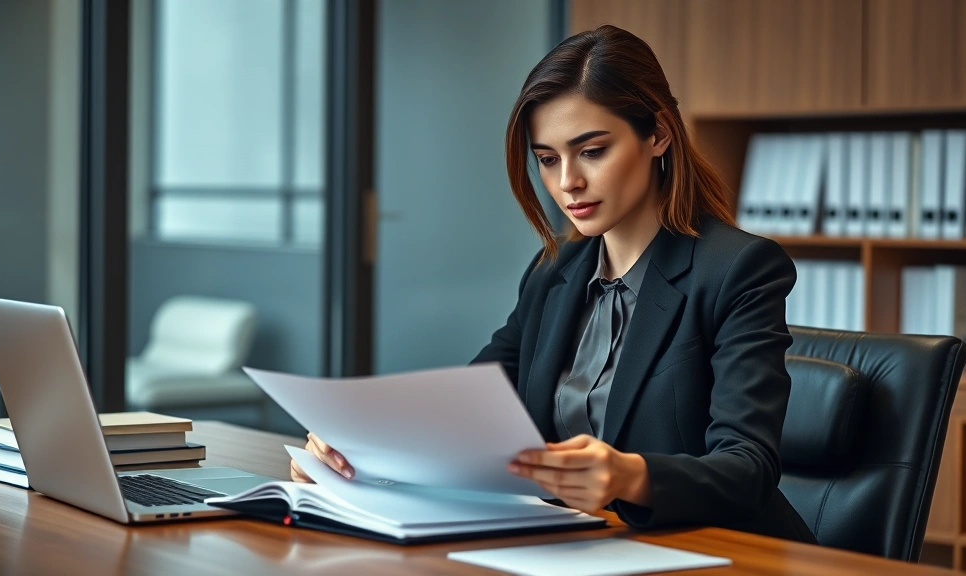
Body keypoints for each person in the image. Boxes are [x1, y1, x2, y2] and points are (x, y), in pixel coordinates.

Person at [291, 24, 816, 544]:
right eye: (547, 159)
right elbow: (464, 409)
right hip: (581, 547)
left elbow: (748, 467)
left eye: (592, 151)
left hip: (721, 551)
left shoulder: (739, 269)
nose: (568, 183)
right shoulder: (555, 271)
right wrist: (359, 445)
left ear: (657, 134)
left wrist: (628, 475)